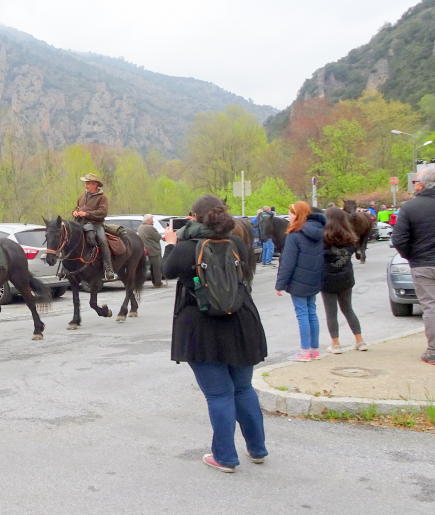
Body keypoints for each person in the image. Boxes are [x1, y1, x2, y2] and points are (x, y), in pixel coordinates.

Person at [162, 194, 268, 474]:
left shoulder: (186, 248)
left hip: (203, 327)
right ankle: (257, 449)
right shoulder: (235, 243)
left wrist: (171, 244)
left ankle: (224, 457)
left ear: (194, 218)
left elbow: (166, 270)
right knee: (243, 389)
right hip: (242, 321)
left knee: (219, 394)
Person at [392, 168, 435, 365]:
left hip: (423, 265)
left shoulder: (410, 208)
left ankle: (434, 351)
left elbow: (399, 239)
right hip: (422, 262)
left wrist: (411, 257)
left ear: (421, 185)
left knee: (430, 307)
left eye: (415, 182)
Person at [275, 201, 326, 362]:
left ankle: (304, 351)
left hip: (298, 280)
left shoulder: (294, 234)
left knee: (302, 314)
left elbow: (288, 262)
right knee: (312, 312)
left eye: (291, 213)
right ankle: (314, 349)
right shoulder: (318, 232)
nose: (288, 216)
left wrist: (280, 284)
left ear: (298, 215)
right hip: (314, 278)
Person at [320, 207, 366, 354]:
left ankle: (336, 343)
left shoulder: (323, 238)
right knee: (348, 308)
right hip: (346, 277)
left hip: (327, 278)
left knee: (331, 312)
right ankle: (360, 340)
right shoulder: (350, 237)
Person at [72, 173, 114, 280]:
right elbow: (76, 208)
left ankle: (108, 268)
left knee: (102, 240)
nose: (86, 186)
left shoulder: (102, 197)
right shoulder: (82, 196)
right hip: (80, 223)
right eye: (85, 183)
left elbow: (103, 212)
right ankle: (66, 268)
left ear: (95, 184)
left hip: (96, 224)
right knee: (68, 237)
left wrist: (87, 214)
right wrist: (75, 213)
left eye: (88, 183)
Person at [137, 214, 163, 287]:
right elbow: (158, 237)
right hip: (154, 250)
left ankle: (154, 282)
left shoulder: (140, 227)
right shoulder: (150, 228)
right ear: (148, 220)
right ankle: (158, 283)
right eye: (151, 218)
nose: (153, 220)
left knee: (151, 268)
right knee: (157, 267)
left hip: (146, 249)